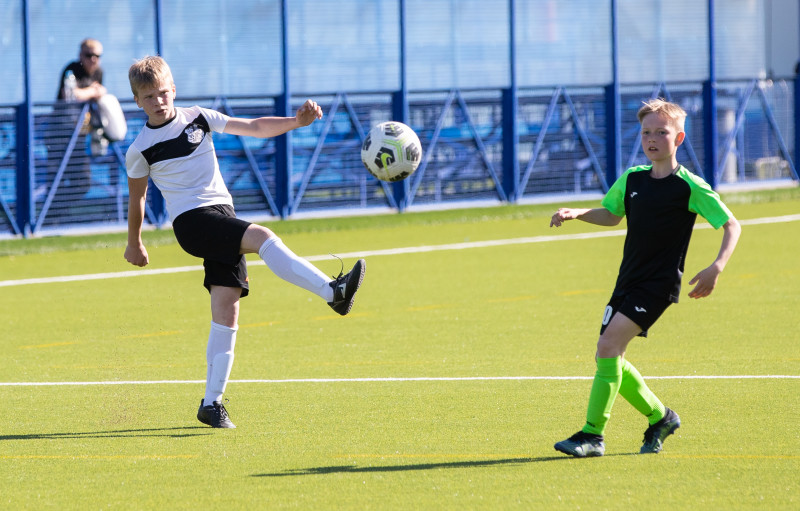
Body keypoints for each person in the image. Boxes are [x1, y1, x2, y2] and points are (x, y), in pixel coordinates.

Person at [124, 56, 366, 429]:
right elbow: (137, 198)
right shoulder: (140, 149)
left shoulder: (199, 118)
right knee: (263, 237)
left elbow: (253, 127)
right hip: (192, 223)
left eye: (163, 92)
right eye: (149, 96)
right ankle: (332, 291)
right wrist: (134, 242)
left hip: (222, 214)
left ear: (174, 90)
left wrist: (296, 122)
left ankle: (211, 404)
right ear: (138, 101)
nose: (158, 100)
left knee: (227, 312)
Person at [549, 98, 741, 457]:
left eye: (661, 133)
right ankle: (660, 417)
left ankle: (592, 435)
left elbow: (731, 224)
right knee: (609, 357)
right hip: (628, 280)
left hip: (657, 285)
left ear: (679, 138)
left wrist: (717, 266)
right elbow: (611, 214)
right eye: (646, 132)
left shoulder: (689, 187)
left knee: (608, 349)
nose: (652, 139)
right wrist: (577, 213)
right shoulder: (633, 178)